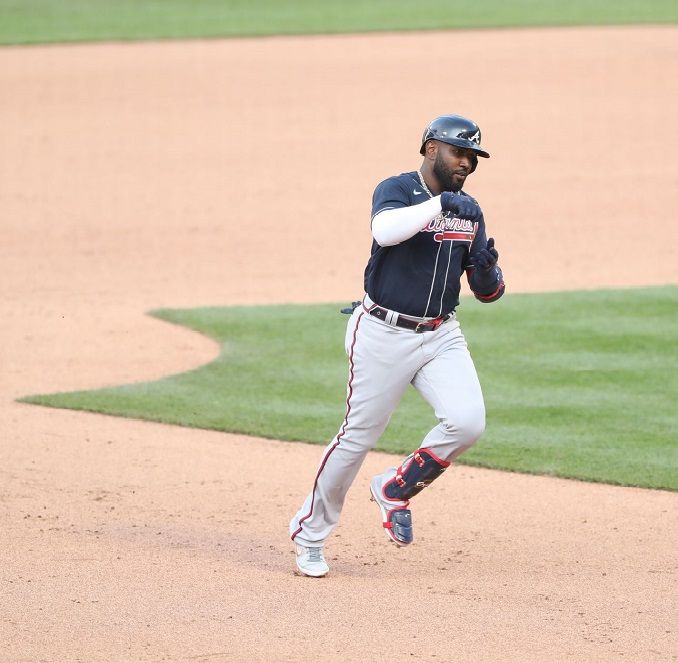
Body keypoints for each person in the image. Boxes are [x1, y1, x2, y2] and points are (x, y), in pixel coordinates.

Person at [289, 114, 505, 577]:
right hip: (383, 332)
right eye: (458, 152)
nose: (466, 163)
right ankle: (310, 535)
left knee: (467, 422)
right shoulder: (398, 189)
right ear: (430, 148)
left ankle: (395, 488)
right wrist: (439, 206)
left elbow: (486, 293)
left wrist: (487, 270)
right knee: (356, 438)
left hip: (441, 333)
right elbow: (386, 231)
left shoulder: (469, 210)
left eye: (472, 157)